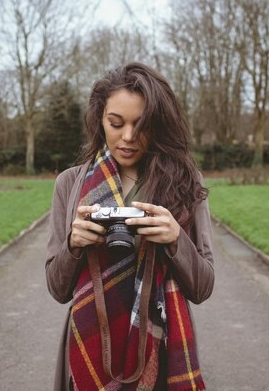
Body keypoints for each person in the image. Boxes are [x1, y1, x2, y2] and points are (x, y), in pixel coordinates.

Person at [46, 62, 215, 391]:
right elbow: (57, 288)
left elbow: (202, 287)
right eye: (116, 123)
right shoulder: (70, 184)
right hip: (89, 345)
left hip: (161, 351)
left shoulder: (184, 182)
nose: (128, 137)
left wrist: (176, 239)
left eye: (141, 125)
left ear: (159, 125)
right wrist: (73, 245)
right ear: (100, 120)